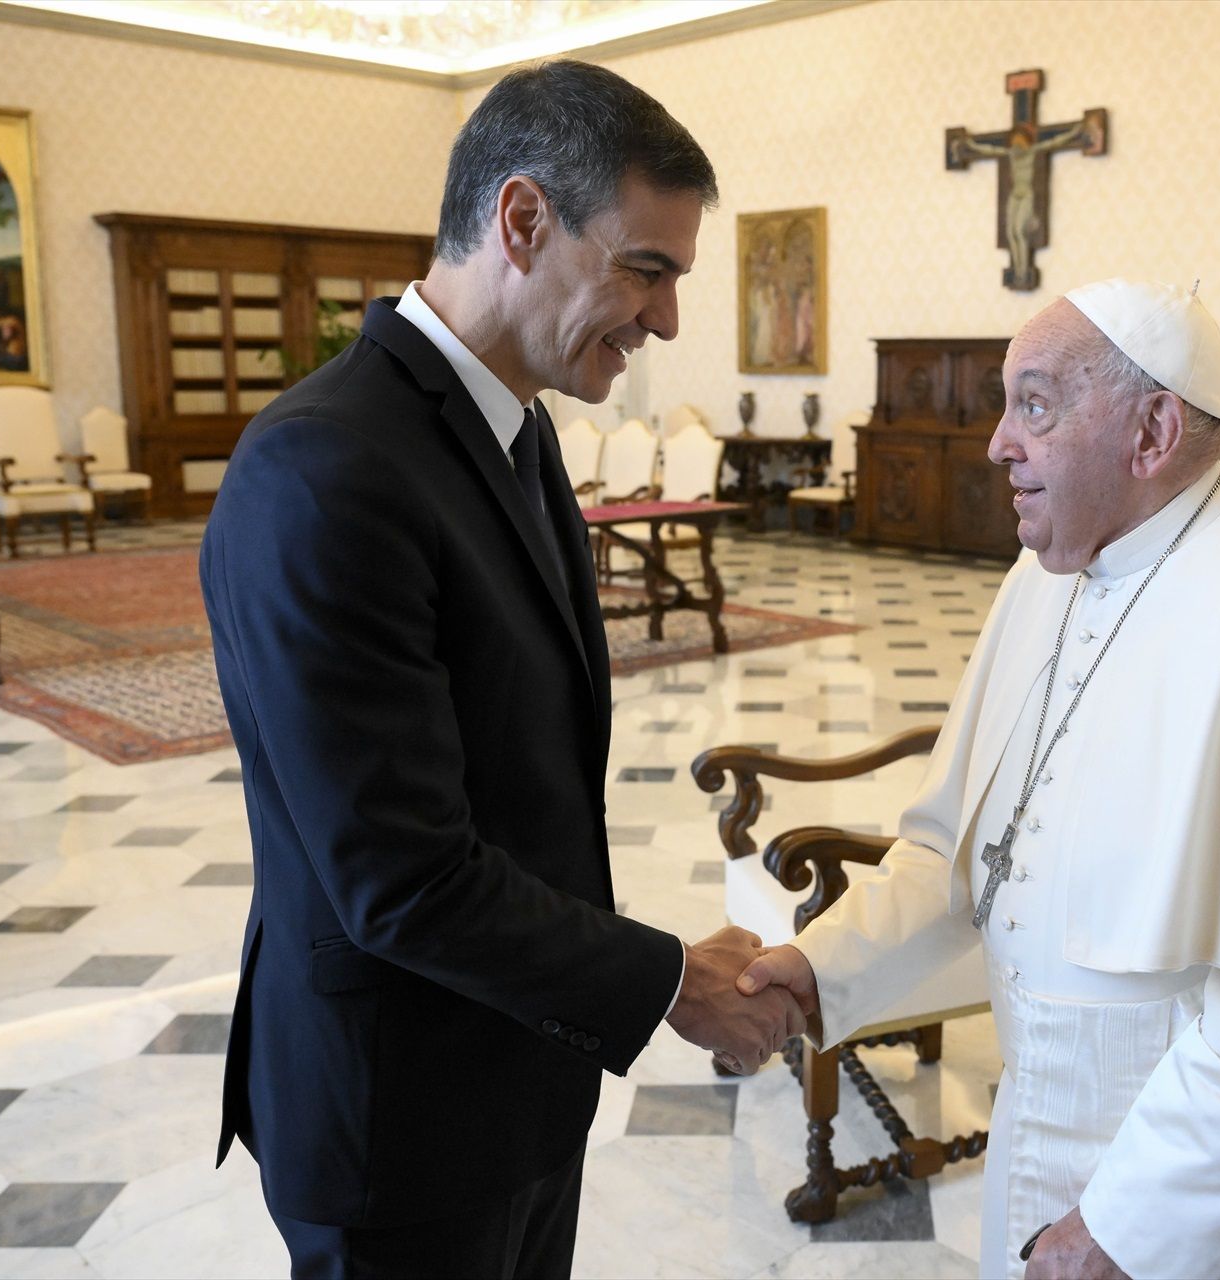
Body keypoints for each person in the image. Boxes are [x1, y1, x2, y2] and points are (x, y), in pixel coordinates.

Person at [741, 278, 1220, 1280]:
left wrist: (1132, 1224)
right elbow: (962, 849)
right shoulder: (1039, 582)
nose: (996, 443)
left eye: (1035, 404)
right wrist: (819, 966)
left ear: (1152, 430)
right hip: (1054, 1135)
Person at [200, 60, 801, 1279]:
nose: (669, 320)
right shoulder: (327, 467)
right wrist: (668, 979)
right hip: (396, 1115)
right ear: (521, 221)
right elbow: (402, 875)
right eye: (649, 268)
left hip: (518, 1074)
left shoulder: (513, 429)